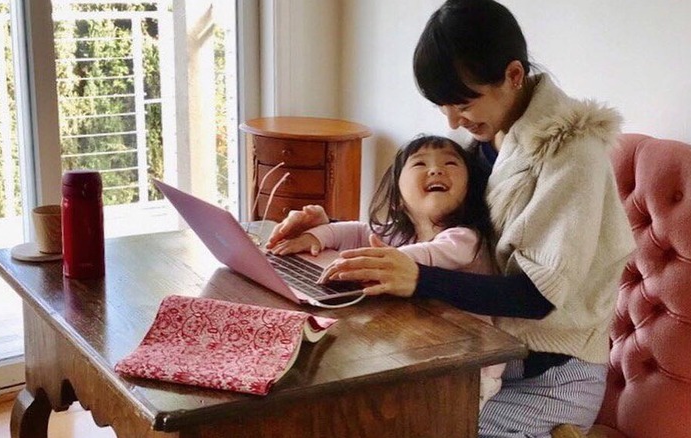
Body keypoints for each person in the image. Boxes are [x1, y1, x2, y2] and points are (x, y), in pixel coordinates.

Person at [266, 0, 636, 436]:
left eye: (463, 102)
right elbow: (430, 230)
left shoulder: (572, 155)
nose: (452, 119)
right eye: (442, 104)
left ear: (513, 76)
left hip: (552, 376)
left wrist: (419, 279)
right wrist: (328, 229)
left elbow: (537, 298)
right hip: (481, 354)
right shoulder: (486, 140)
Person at [268, 134, 504, 410]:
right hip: (423, 348)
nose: (436, 169)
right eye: (419, 164)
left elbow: (428, 256)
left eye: (450, 163)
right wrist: (316, 237)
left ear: (469, 190)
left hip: (473, 369)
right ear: (398, 198)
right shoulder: (400, 233)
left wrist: (382, 260)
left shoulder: (465, 239)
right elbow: (358, 230)